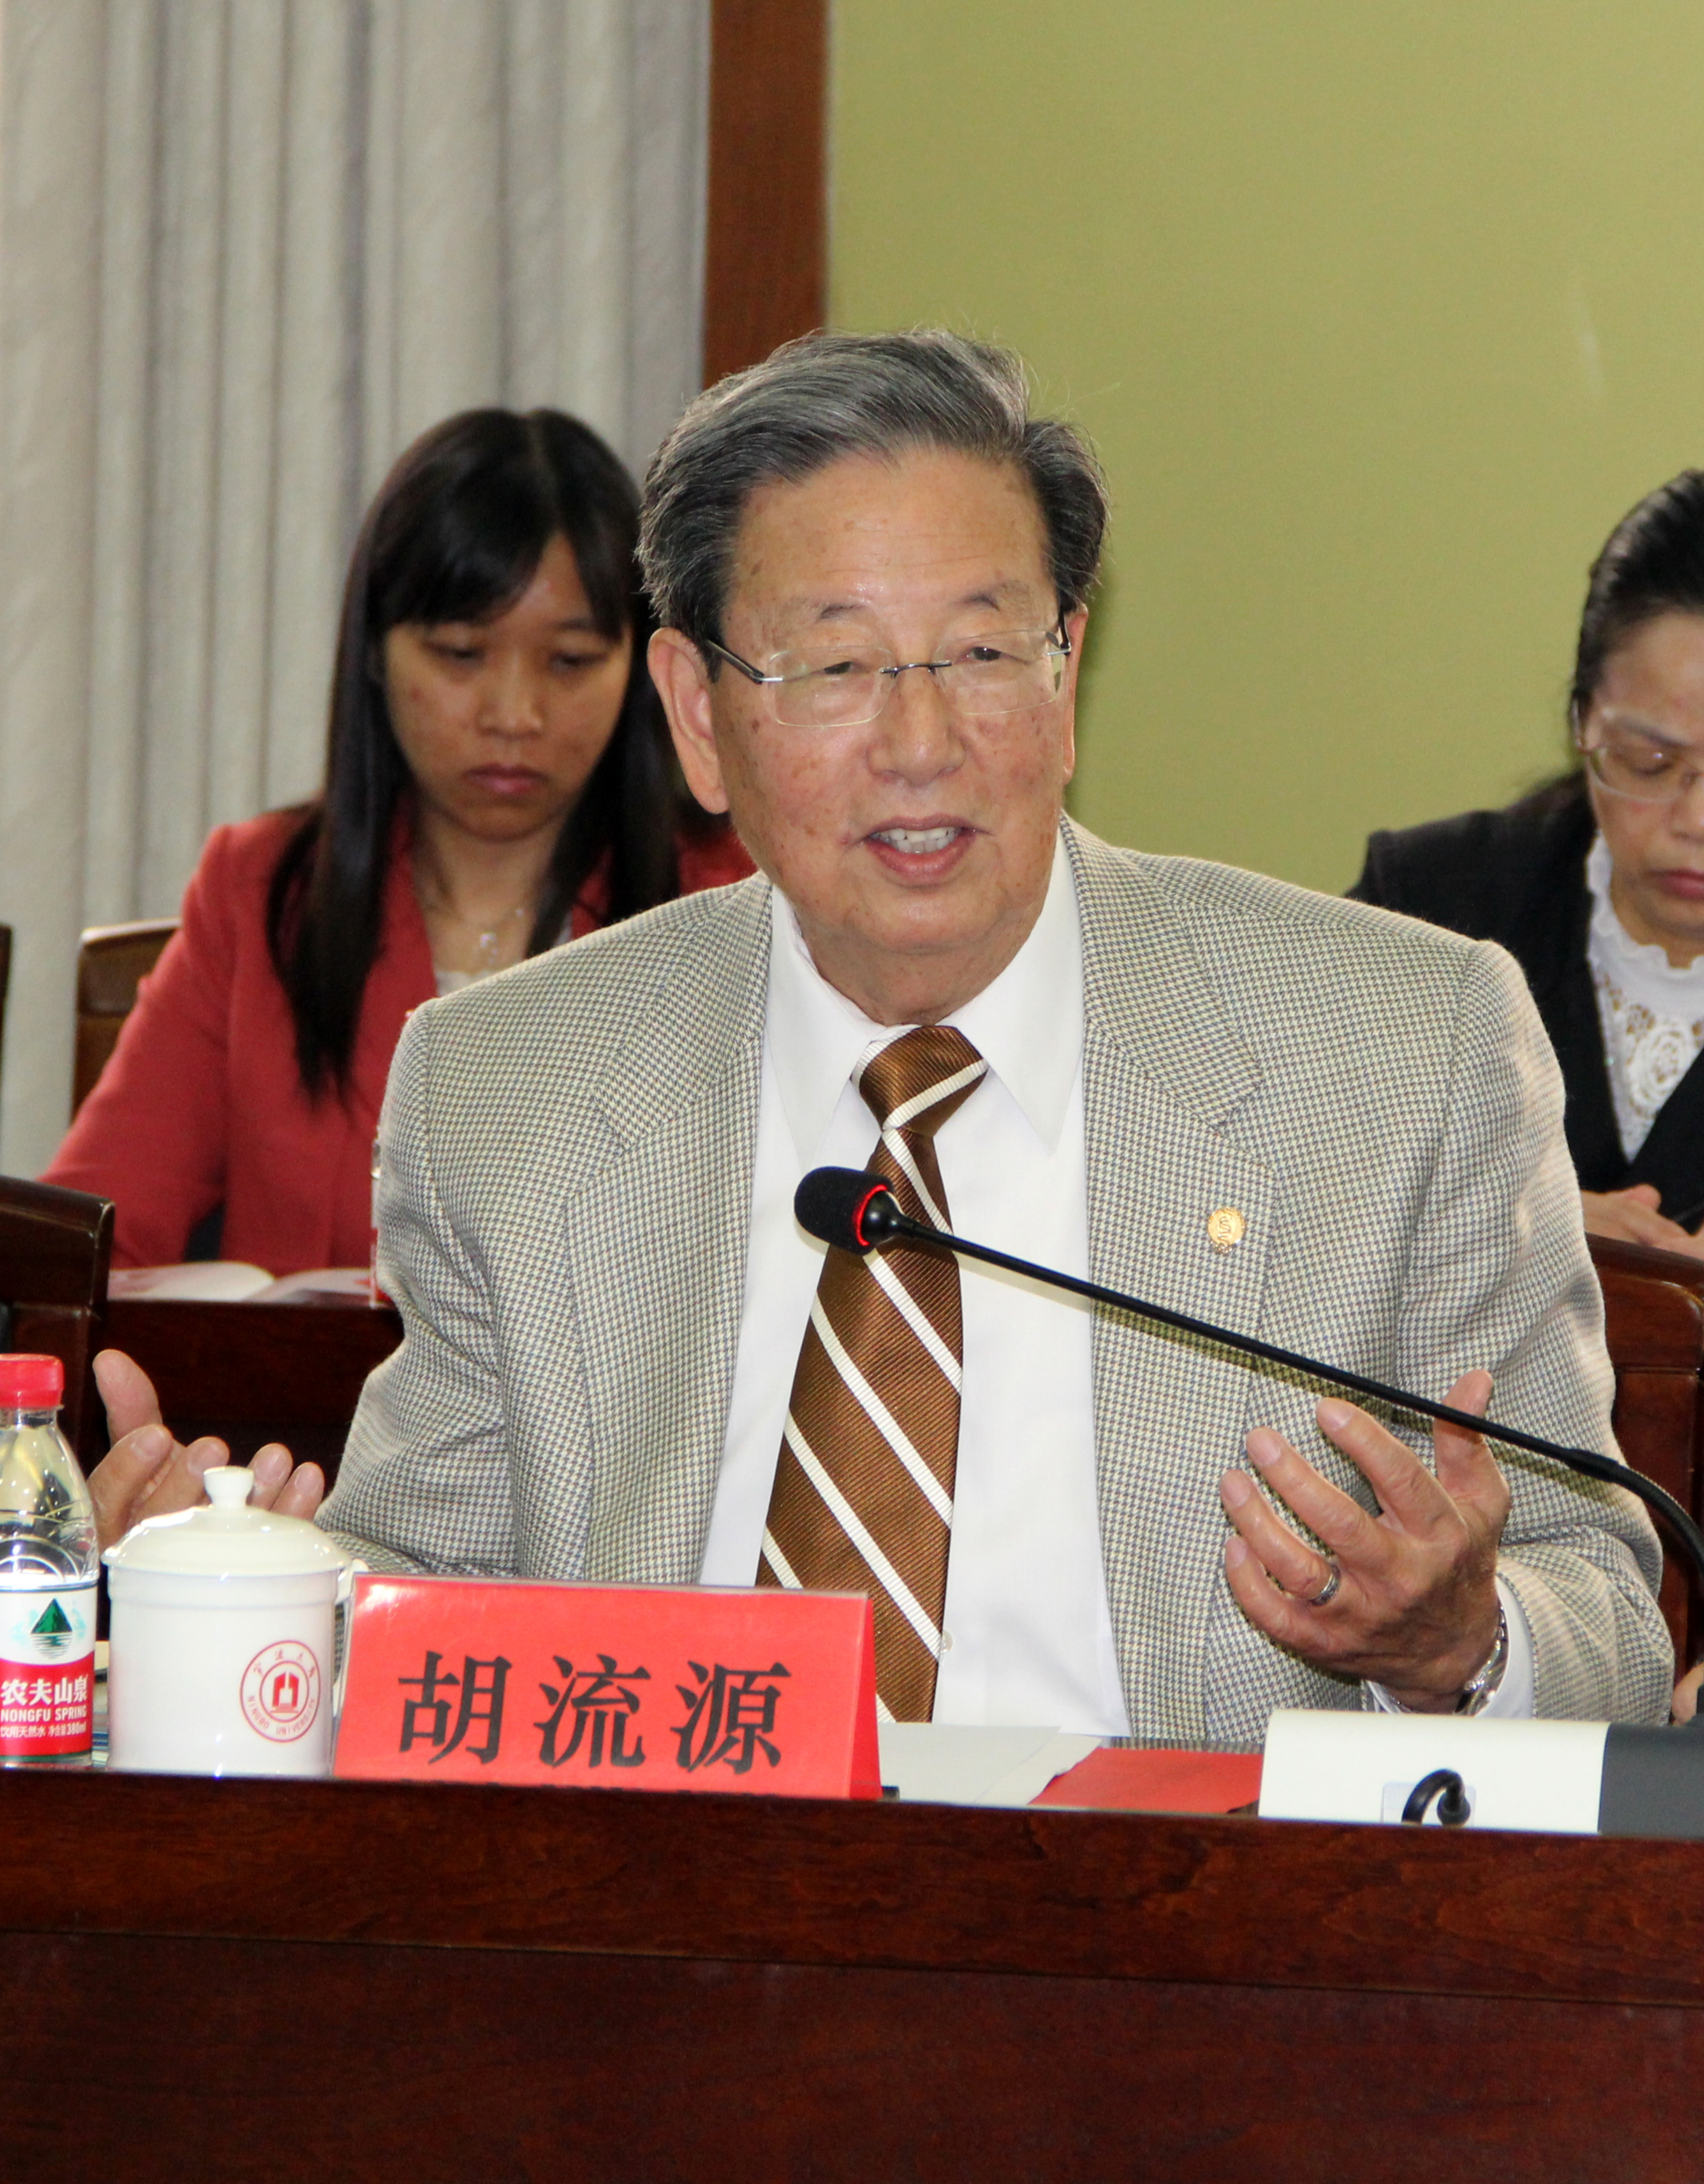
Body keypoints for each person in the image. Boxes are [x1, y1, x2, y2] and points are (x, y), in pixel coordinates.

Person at [87, 332, 1670, 1748]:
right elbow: (432, 1592)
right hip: (668, 1917)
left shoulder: (1398, 1048)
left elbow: (1601, 1604)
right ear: (697, 714)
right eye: (837, 665)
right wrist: (229, 1575)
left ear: (1065, 671)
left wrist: (1459, 1641)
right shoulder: (510, 1085)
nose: (922, 743)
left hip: (1188, 1939)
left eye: (983, 651)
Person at [44, 408, 751, 1272]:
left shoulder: (729, 902)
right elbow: (79, 1251)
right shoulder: (262, 891)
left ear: (644, 669)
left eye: (569, 662)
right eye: (460, 653)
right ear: (377, 653)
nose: (513, 714)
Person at [1351, 471, 1704, 1262]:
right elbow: (1280, 1169)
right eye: (1648, 761)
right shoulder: (1431, 909)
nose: (1694, 821)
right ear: (1582, 723)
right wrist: (1513, 1219)